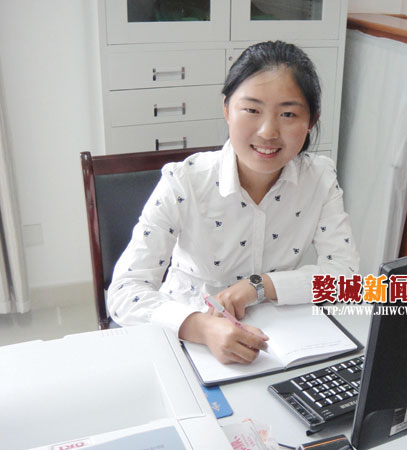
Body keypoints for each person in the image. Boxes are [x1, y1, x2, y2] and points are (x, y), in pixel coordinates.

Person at [107, 41, 359, 365]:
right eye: (252, 110)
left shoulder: (319, 179)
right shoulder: (184, 181)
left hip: (276, 342)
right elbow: (125, 292)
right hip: (185, 338)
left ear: (311, 121)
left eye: (288, 114)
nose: (268, 132)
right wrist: (202, 328)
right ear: (227, 109)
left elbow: (347, 279)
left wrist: (261, 286)